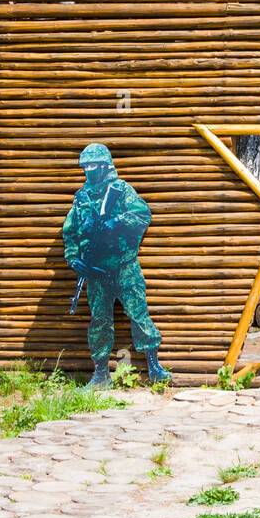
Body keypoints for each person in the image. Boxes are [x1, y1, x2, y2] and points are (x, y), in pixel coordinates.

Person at [62, 143, 169, 387]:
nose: (89, 171)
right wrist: (73, 259)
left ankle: (154, 366)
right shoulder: (81, 199)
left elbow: (143, 215)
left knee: (139, 314)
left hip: (124, 266)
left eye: (94, 166)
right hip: (96, 271)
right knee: (99, 321)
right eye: (85, 167)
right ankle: (101, 374)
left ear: (104, 166)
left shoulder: (120, 190)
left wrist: (116, 222)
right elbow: (69, 232)